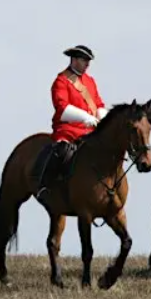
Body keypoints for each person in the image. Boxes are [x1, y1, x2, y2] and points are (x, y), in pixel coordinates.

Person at [35, 44, 109, 200]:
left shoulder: (90, 81)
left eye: (89, 61)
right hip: (68, 131)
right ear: (74, 60)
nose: (88, 64)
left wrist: (103, 118)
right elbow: (62, 108)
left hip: (90, 132)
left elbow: (99, 104)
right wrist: (85, 117)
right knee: (61, 152)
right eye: (84, 60)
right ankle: (45, 187)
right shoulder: (61, 81)